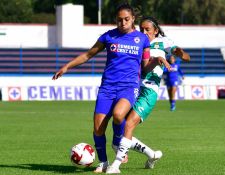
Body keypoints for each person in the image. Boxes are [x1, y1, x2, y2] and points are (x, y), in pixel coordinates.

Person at [52, 4, 169, 173]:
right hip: (107, 87)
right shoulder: (108, 36)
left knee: (119, 114)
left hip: (129, 87)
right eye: (119, 20)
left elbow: (144, 66)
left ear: (133, 19)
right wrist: (66, 67)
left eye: (126, 19)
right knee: (98, 128)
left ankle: (117, 145)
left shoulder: (142, 39)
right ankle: (103, 163)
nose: (123, 23)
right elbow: (88, 55)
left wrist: (156, 60)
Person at [106, 16, 190, 174]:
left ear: (156, 31)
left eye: (147, 29)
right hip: (132, 88)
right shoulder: (137, 42)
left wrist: (180, 53)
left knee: (129, 124)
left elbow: (185, 56)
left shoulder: (164, 42)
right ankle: (152, 155)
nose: (144, 32)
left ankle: (115, 166)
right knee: (120, 127)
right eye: (141, 29)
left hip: (149, 90)